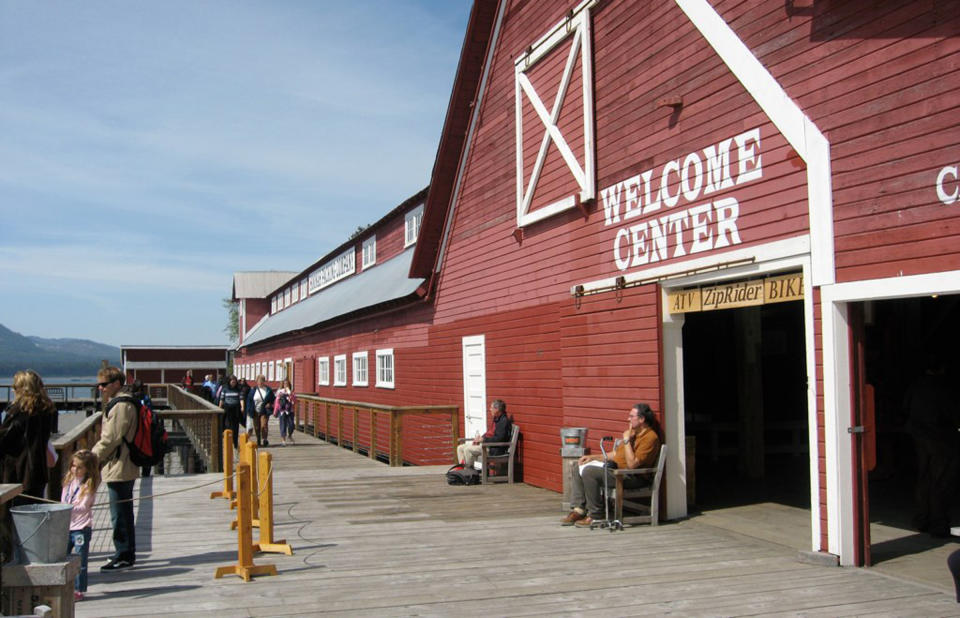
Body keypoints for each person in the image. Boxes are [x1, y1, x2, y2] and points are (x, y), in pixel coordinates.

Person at [562, 402, 662, 528]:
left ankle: (596, 515)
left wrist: (626, 441)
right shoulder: (633, 434)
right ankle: (579, 510)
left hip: (631, 477)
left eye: (631, 416)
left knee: (589, 472)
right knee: (579, 466)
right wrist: (592, 457)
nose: (628, 419)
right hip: (616, 471)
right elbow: (616, 454)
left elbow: (632, 465)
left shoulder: (650, 438)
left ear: (642, 419)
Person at [903, 356, 960, 537]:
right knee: (940, 481)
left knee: (924, 477)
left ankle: (921, 519)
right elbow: (952, 412)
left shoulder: (916, 385)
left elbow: (905, 407)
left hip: (919, 436)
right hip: (940, 438)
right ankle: (938, 523)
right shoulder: (943, 387)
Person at [91, 365, 139, 571]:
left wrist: (90, 458)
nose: (100, 388)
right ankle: (125, 552)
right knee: (123, 510)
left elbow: (111, 438)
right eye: (99, 384)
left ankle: (123, 554)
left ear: (116, 384)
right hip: (121, 462)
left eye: (104, 384)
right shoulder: (122, 403)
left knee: (119, 512)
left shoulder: (121, 406)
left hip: (120, 463)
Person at [0, 369, 56, 506]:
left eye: (15, 387)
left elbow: (4, 439)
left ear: (22, 389)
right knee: (32, 517)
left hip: (16, 474)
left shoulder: (17, 411)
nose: (13, 391)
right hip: (38, 473)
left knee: (12, 518)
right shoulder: (47, 410)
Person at [62, 449, 100, 602]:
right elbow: (64, 498)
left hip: (81, 528)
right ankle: (64, 585)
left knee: (80, 560)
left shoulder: (88, 485)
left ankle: (79, 589)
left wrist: (68, 507)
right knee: (62, 556)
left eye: (79, 467)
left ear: (87, 469)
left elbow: (84, 506)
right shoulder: (68, 482)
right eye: (73, 466)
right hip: (67, 526)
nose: (75, 469)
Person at [456, 399, 512, 470]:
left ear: (497, 409)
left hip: (493, 448)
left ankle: (469, 473)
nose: (490, 409)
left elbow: (499, 438)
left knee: (468, 449)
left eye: (491, 408)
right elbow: (490, 433)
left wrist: (484, 440)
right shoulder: (497, 418)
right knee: (460, 448)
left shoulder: (503, 421)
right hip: (487, 445)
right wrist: (480, 438)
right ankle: (462, 470)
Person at [245, 375, 275, 447]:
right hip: (255, 410)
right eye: (259, 381)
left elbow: (274, 399)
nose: (261, 382)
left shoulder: (268, 390)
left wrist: (270, 404)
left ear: (264, 381)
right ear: (257, 382)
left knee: (264, 425)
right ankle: (258, 439)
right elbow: (249, 400)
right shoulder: (253, 390)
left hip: (264, 410)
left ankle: (264, 439)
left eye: (262, 381)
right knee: (257, 426)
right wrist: (248, 410)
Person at [218, 375, 243, 449]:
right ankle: (228, 442)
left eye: (235, 382)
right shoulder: (225, 389)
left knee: (235, 426)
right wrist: (219, 408)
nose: (233, 383)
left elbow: (241, 398)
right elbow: (222, 399)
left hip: (235, 409)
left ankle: (235, 442)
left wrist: (242, 407)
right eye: (232, 382)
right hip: (227, 408)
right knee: (227, 425)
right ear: (229, 382)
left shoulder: (238, 389)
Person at [274, 379, 296, 446]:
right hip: (282, 411)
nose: (286, 385)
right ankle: (283, 440)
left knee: (291, 425)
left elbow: (294, 401)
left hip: (290, 411)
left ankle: (290, 435)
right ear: (282, 385)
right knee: (282, 425)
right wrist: (275, 411)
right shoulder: (279, 392)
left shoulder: (292, 392)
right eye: (284, 384)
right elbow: (277, 403)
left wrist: (290, 394)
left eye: (287, 384)